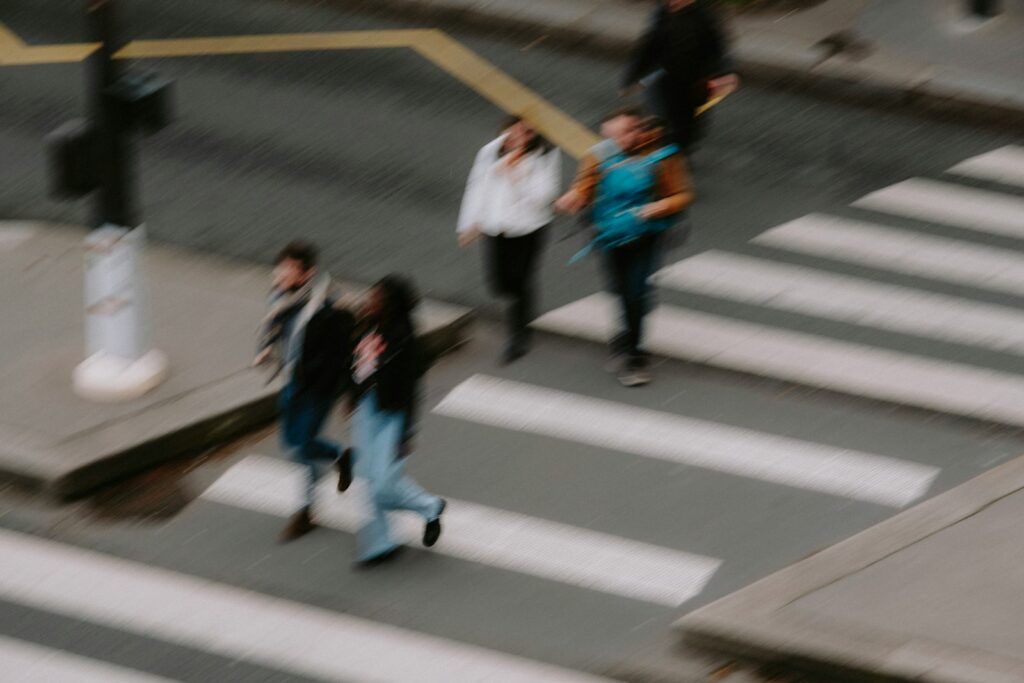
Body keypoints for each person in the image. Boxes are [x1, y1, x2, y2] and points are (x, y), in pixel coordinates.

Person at [556, 107, 694, 387]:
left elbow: (682, 195)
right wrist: (575, 196)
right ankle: (628, 332)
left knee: (634, 292)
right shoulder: (600, 154)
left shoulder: (663, 156)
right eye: (611, 136)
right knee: (620, 290)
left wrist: (657, 208)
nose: (616, 142)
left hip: (647, 235)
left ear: (637, 129)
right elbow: (586, 185)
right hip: (609, 235)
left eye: (623, 134)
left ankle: (634, 357)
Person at [255, 241, 356, 542]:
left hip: (318, 387)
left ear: (307, 274)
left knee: (300, 448)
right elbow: (275, 327)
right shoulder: (282, 296)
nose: (279, 276)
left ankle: (306, 511)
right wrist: (265, 349)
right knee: (291, 442)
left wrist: (348, 393)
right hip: (293, 379)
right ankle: (339, 456)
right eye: (279, 270)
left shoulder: (329, 307)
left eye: (287, 272)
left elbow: (344, 353)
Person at [349, 275, 446, 567]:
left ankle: (429, 506)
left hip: (392, 414)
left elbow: (411, 389)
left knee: (381, 483)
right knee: (369, 479)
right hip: (367, 409)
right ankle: (379, 544)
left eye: (378, 297)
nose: (371, 300)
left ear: (392, 303)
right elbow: (354, 362)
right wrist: (351, 396)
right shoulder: (367, 323)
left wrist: (406, 433)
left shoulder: (406, 338)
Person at [457, 115, 562, 364]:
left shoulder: (544, 156)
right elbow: (477, 187)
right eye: (513, 132)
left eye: (525, 133)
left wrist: (518, 175)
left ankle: (519, 337)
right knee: (499, 284)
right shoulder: (490, 152)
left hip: (529, 228)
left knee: (520, 280)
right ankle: (523, 309)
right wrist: (470, 223)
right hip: (496, 227)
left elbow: (545, 195)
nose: (518, 138)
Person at [621, 0, 737, 154]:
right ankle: (667, 154)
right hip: (664, 79)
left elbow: (717, 49)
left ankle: (679, 151)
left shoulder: (704, 16)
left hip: (694, 81)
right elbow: (648, 47)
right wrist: (631, 77)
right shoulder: (662, 14)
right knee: (664, 120)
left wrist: (723, 74)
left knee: (688, 126)